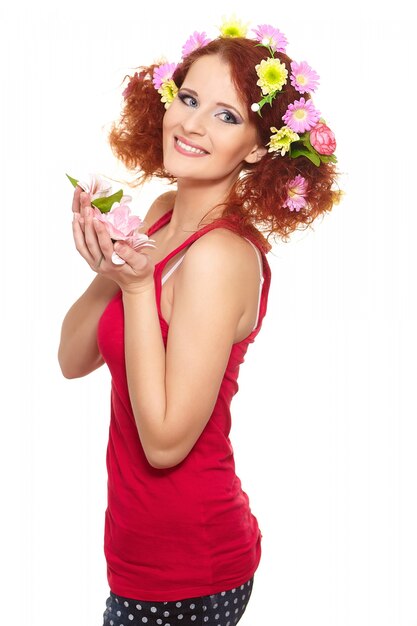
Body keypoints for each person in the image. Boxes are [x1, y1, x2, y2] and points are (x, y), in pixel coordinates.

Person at [58, 18, 340, 626]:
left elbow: (164, 444)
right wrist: (112, 265)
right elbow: (71, 360)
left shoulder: (221, 256)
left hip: (189, 572)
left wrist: (136, 286)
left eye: (226, 115)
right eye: (188, 99)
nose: (191, 124)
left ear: (260, 147)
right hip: (136, 560)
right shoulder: (159, 217)